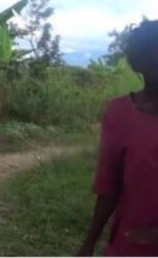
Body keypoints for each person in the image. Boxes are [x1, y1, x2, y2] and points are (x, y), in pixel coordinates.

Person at [78, 20, 158, 256]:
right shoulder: (119, 113)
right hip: (131, 244)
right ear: (138, 63)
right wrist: (88, 244)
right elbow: (109, 185)